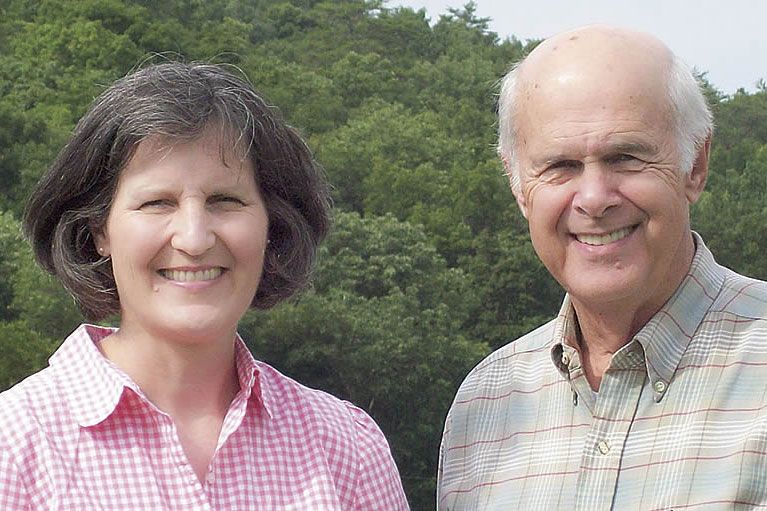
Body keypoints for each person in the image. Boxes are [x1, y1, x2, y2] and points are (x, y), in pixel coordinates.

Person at [0, 62, 409, 510]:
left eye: (225, 201)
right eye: (157, 203)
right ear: (98, 229)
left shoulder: (347, 449)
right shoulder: (15, 446)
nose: (194, 239)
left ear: (273, 224)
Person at [438, 25, 767, 510]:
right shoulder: (484, 405)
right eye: (560, 166)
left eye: (625, 157)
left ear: (694, 167)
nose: (593, 199)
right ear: (518, 185)